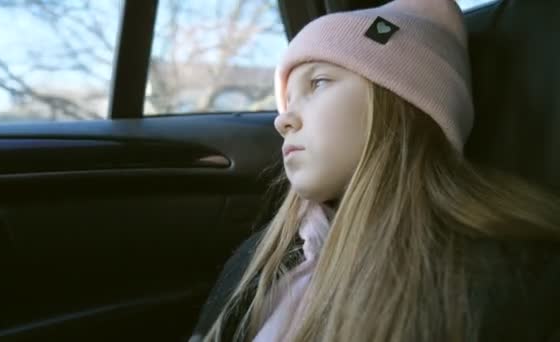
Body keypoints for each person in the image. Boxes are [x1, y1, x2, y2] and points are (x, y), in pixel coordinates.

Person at [189, 0, 560, 341]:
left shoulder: (508, 281)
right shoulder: (260, 259)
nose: (282, 119)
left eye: (317, 83)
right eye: (286, 101)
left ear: (403, 102)